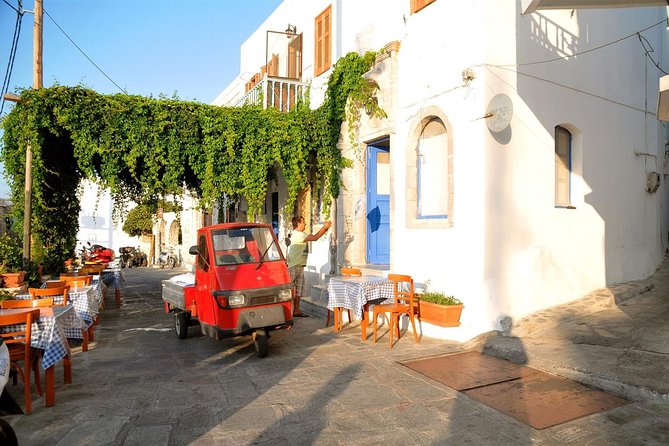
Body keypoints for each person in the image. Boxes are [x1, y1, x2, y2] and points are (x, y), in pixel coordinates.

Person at [287, 216, 332, 317]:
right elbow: (315, 237)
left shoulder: (296, 234)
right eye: (303, 222)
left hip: (299, 265)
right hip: (293, 266)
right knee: (290, 289)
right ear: (298, 224)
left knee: (299, 289)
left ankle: (296, 310)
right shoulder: (299, 234)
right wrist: (325, 228)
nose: (305, 224)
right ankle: (290, 311)